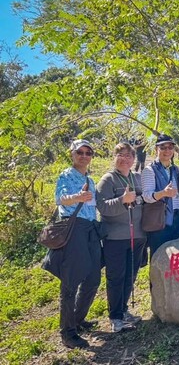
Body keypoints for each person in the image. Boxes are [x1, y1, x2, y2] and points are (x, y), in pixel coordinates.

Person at [42, 139, 102, 349]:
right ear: (72, 154)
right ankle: (67, 332)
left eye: (88, 152)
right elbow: (61, 198)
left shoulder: (91, 179)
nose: (84, 156)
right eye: (80, 152)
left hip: (90, 229)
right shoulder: (66, 175)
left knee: (93, 277)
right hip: (74, 228)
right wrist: (77, 197)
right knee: (71, 280)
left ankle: (77, 320)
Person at [96, 142, 146, 333]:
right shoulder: (107, 180)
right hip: (115, 238)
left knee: (130, 276)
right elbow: (103, 207)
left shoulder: (137, 178)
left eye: (129, 155)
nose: (125, 159)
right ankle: (115, 317)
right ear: (114, 157)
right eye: (121, 155)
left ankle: (123, 310)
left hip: (138, 236)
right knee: (116, 277)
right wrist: (122, 200)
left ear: (134, 159)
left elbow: (143, 201)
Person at [141, 134, 179, 258]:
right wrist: (164, 193)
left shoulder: (175, 170)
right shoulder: (149, 170)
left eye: (170, 147)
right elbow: (147, 196)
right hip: (160, 221)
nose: (167, 151)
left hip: (178, 218)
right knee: (159, 257)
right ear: (156, 149)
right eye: (163, 147)